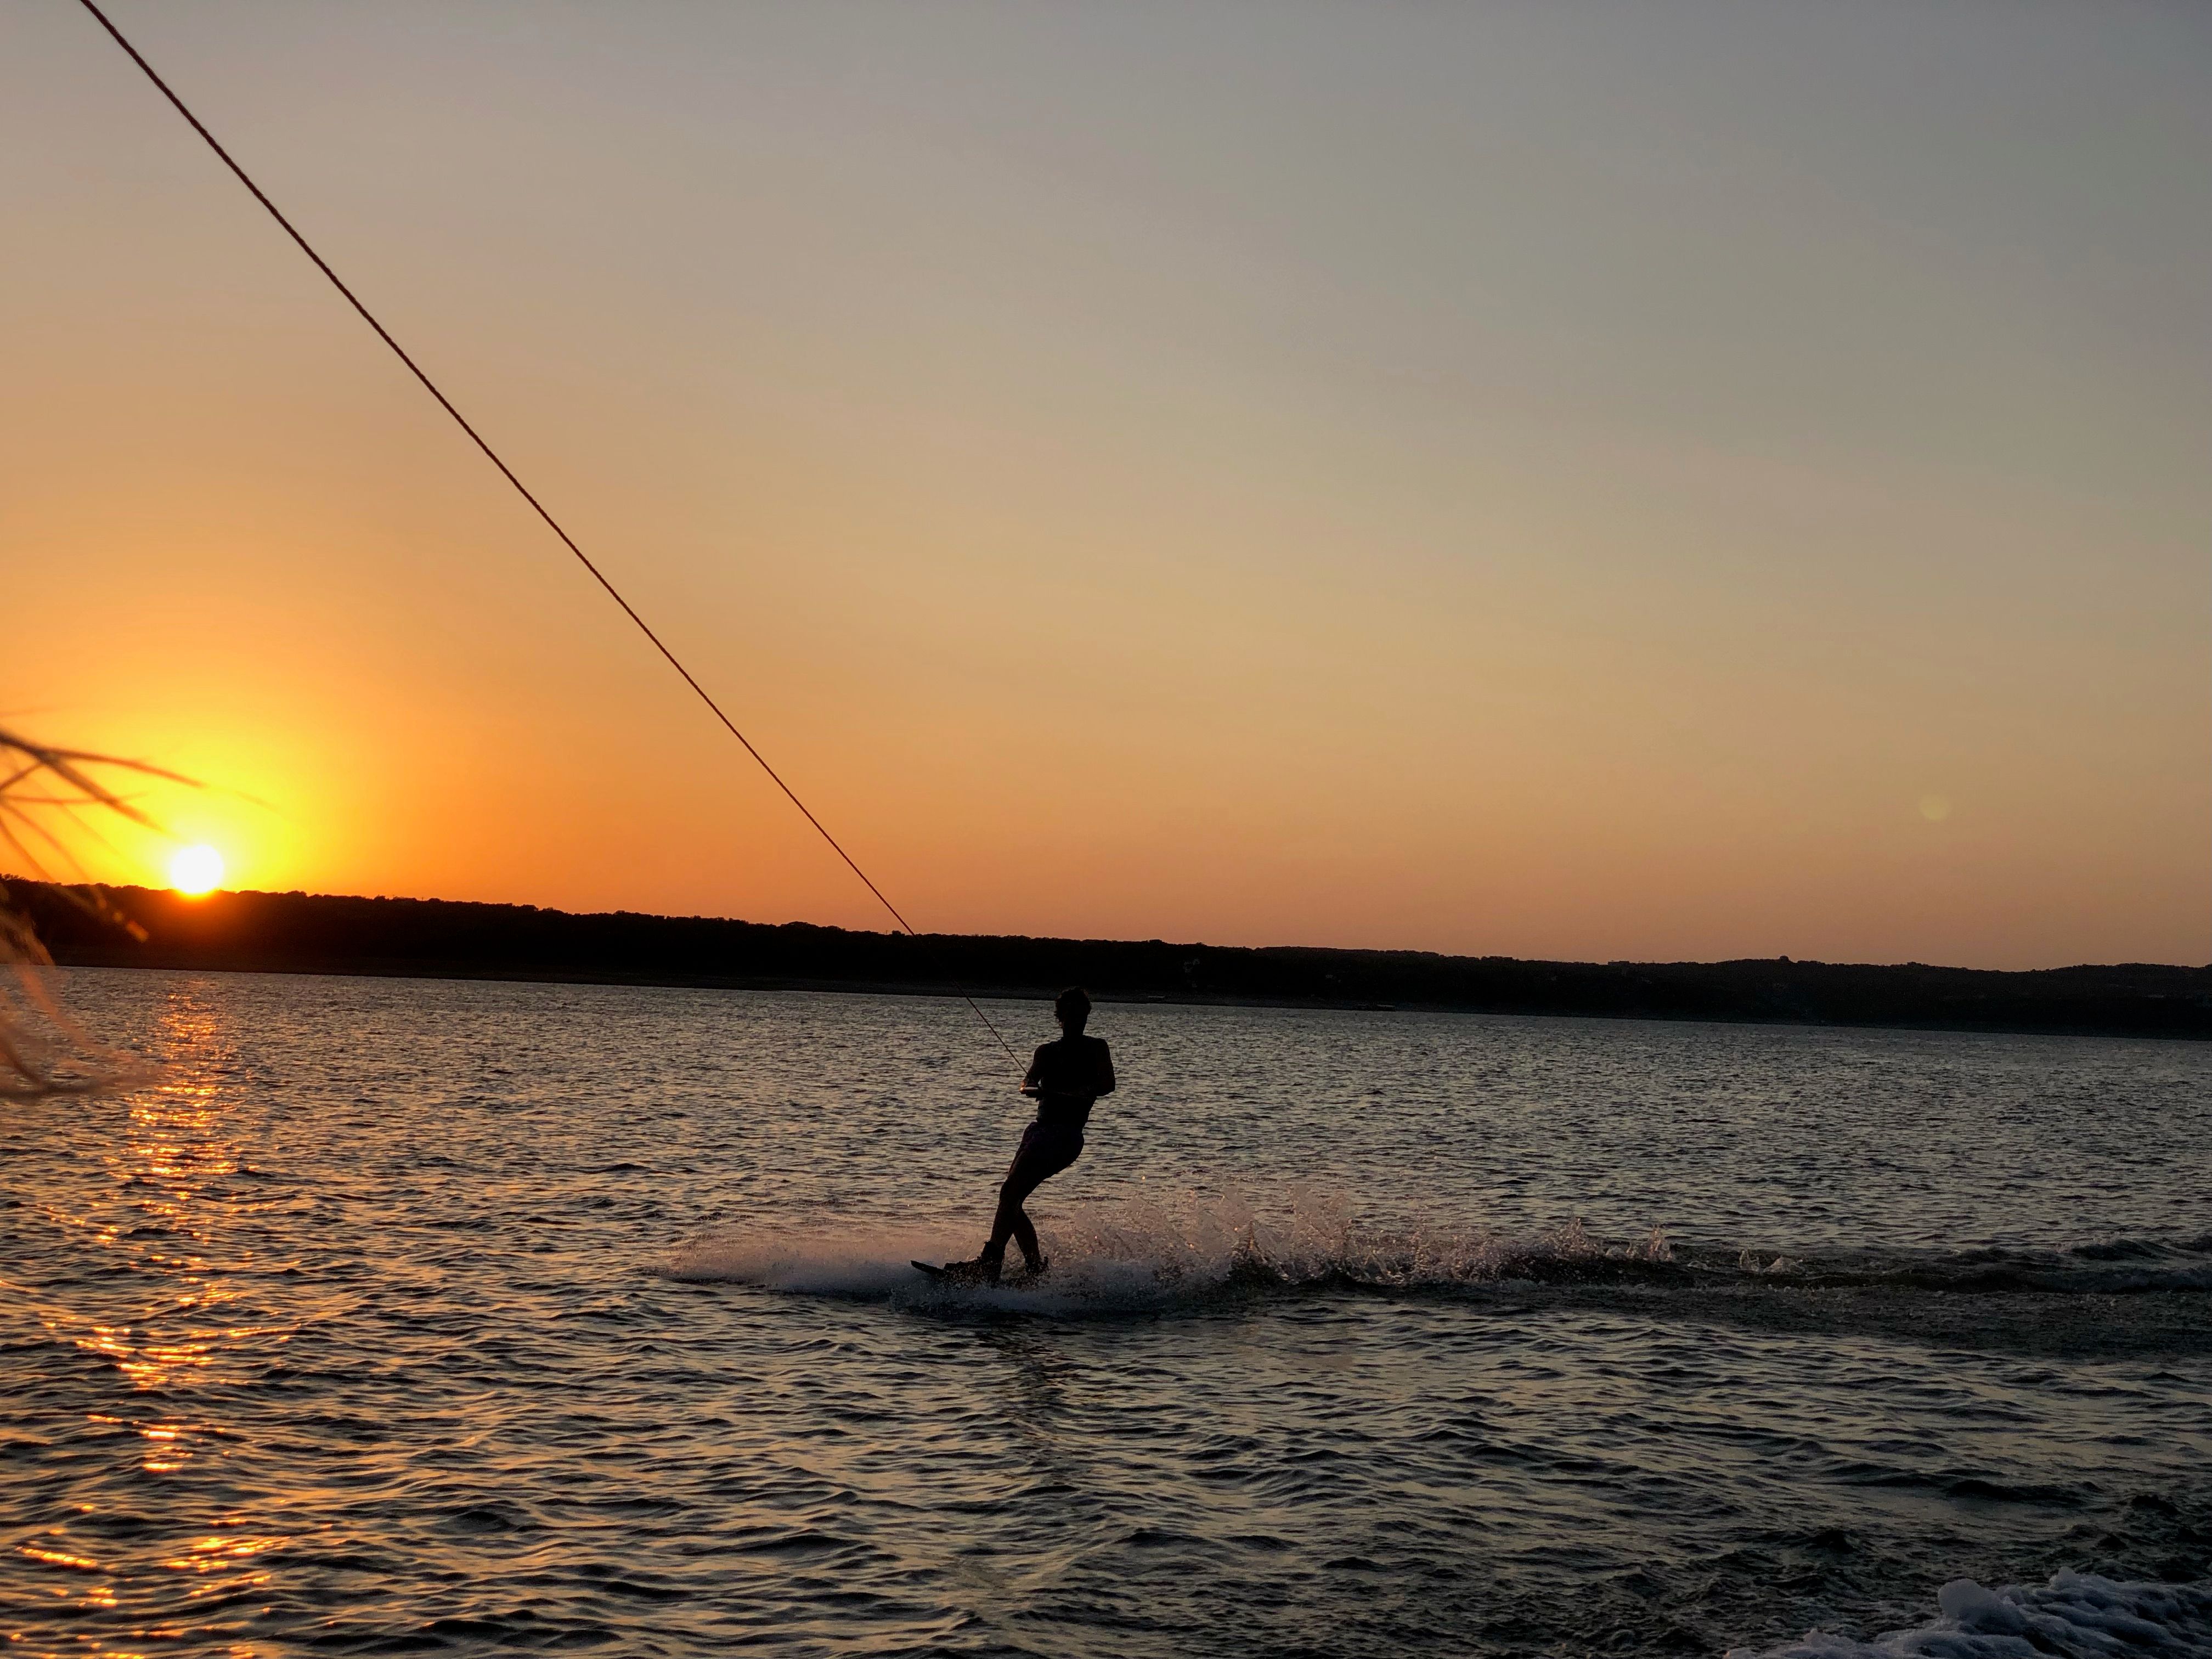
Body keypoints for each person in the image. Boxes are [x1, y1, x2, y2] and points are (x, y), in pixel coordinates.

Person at [950, 986, 1114, 1284]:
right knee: (1012, 1197)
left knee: (1009, 1194)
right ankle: (1034, 1268)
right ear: (1060, 1018)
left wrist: (1081, 1091)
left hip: (1066, 1135)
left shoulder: (1096, 1048)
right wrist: (1033, 1090)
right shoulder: (1047, 1052)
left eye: (1082, 1015)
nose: (1077, 1020)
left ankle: (991, 1263)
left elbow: (1108, 1084)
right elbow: (1027, 1082)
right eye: (1070, 1015)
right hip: (1038, 1132)